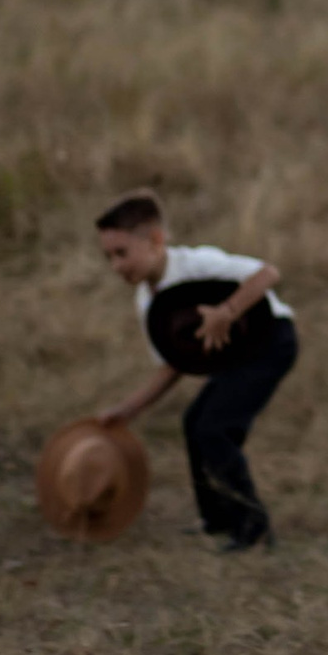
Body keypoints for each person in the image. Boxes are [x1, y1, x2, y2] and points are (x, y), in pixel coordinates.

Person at [90, 191, 298, 553]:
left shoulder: (196, 263)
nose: (116, 266)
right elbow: (175, 365)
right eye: (108, 257)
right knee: (195, 424)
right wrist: (128, 409)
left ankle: (254, 531)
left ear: (156, 240)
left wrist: (227, 311)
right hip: (234, 357)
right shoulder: (148, 302)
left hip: (270, 343)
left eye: (122, 253)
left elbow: (268, 273)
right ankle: (217, 519)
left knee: (214, 430)